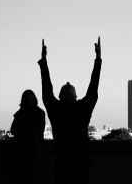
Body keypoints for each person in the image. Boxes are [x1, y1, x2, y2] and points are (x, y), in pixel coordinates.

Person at [38, 37, 102, 184]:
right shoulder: (83, 107)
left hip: (61, 156)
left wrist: (43, 61)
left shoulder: (55, 108)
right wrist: (98, 59)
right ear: (75, 96)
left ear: (60, 96)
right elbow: (94, 85)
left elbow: (46, 88)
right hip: (81, 156)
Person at [10, 89, 46, 184]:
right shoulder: (39, 113)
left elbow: (38, 131)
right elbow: (13, 129)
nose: (30, 99)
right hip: (25, 150)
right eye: (27, 98)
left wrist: (22, 130)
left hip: (30, 150)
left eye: (32, 97)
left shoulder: (21, 113)